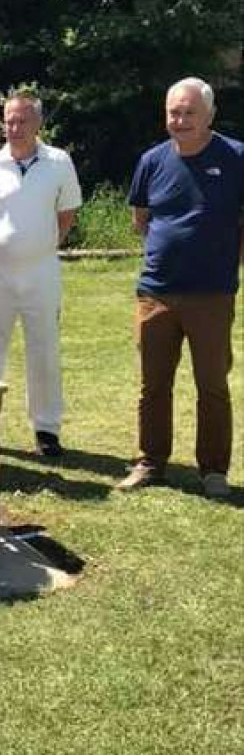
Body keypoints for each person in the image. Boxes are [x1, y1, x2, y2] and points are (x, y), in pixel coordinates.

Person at [118, 76, 244, 497]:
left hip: (212, 294)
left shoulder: (236, 158)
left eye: (190, 112)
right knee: (153, 385)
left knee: (211, 385)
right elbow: (142, 219)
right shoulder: (152, 160)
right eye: (174, 111)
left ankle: (213, 472)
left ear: (209, 115)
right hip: (156, 293)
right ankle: (151, 462)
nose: (181, 119)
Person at [0, 90, 82, 457]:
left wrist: (41, 244)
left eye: (22, 120)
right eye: (9, 121)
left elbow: (66, 213)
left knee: (44, 349)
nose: (15, 128)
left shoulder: (59, 162)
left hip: (40, 272)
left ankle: (46, 430)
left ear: (38, 123)